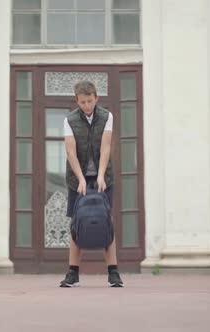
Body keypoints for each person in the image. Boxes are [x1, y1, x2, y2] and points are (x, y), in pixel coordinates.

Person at [59, 80, 124, 288]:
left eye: (89, 101)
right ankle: (73, 273)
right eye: (82, 102)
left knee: (106, 220)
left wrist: (101, 175)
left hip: (103, 177)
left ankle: (113, 273)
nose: (86, 105)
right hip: (76, 179)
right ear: (77, 101)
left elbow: (106, 148)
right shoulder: (69, 120)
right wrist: (80, 179)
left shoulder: (107, 117)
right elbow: (70, 151)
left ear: (96, 98)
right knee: (76, 223)